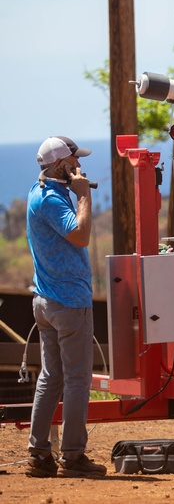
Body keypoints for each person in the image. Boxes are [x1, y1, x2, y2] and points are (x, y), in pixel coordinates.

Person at [25, 136, 107, 478]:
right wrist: (84, 194)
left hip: (46, 301)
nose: (79, 166)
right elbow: (81, 234)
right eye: (75, 162)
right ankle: (72, 456)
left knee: (51, 376)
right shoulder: (53, 201)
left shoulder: (38, 192)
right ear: (62, 166)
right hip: (69, 302)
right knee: (76, 379)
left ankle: (39, 453)